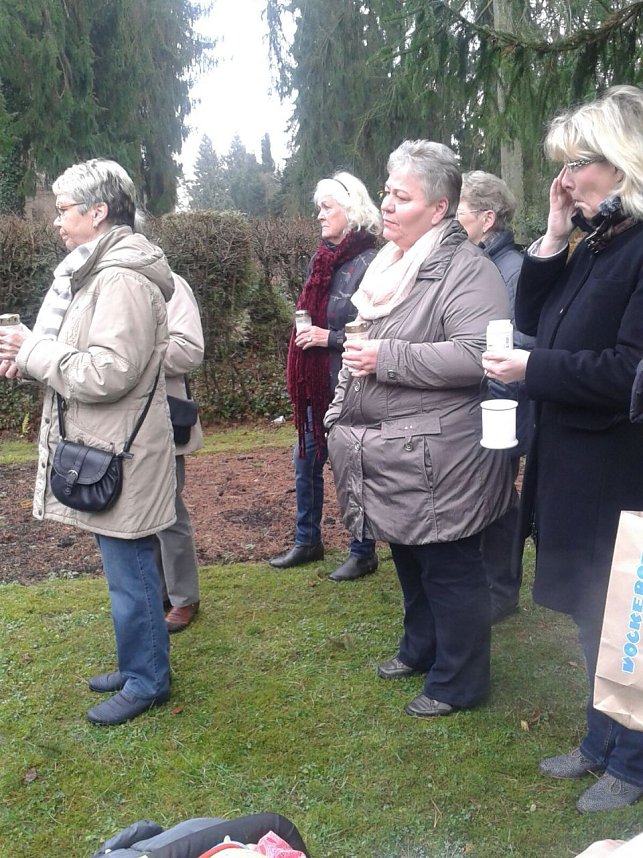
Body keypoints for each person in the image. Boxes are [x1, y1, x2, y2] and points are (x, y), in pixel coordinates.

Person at [482, 85, 643, 811]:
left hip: (619, 474)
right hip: (573, 466)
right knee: (587, 614)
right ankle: (597, 740)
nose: (565, 180)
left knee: (627, 623)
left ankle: (632, 762)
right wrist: (550, 233)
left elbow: (624, 372)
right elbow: (532, 315)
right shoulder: (596, 242)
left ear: (620, 162)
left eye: (575, 164)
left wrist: (531, 371)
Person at [325, 140, 515, 717]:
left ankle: (461, 681)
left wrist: (388, 357)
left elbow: (477, 353)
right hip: (396, 449)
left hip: (444, 454)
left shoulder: (467, 270)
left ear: (438, 210)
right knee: (409, 552)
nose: (385, 204)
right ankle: (421, 648)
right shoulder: (391, 267)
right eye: (386, 191)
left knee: (450, 567)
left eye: (400, 196)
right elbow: (362, 348)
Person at [0, 158, 176, 726]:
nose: (56, 221)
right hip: (110, 445)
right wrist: (36, 355)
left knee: (134, 571)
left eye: (64, 210)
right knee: (124, 567)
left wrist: (33, 351)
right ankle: (136, 665)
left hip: (120, 447)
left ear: (98, 213)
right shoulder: (101, 270)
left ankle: (149, 680)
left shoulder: (120, 277)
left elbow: (108, 371)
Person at [269, 171, 382, 581]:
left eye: (327, 207)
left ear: (350, 212)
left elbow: (375, 329)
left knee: (351, 467)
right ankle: (307, 541)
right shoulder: (323, 260)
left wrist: (326, 336)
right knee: (306, 460)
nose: (319, 215)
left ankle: (363, 550)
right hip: (317, 385)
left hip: (349, 383)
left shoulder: (371, 262)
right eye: (319, 207)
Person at [457, 170, 535, 623]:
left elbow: (522, 341)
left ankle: (502, 592)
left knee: (500, 496)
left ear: (488, 219)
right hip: (483, 402)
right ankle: (488, 583)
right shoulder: (480, 263)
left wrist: (497, 413)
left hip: (501, 406)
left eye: (462, 213)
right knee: (486, 494)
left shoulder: (512, 270)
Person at [156, 271, 204, 633]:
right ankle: (155, 591)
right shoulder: (91, 281)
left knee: (167, 510)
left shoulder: (168, 283)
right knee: (129, 514)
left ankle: (184, 596)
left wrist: (132, 354)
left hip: (161, 418)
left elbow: (189, 350)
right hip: (112, 422)